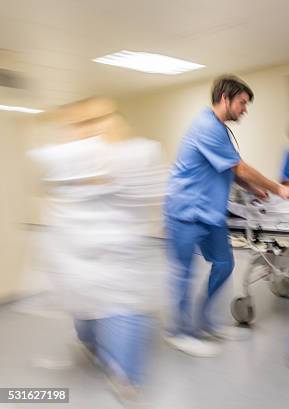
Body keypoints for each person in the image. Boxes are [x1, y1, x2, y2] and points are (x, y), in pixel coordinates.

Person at [27, 98, 165, 401]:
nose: (88, 128)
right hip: (81, 253)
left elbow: (149, 192)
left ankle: (125, 375)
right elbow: (52, 185)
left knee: (121, 310)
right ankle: (104, 356)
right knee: (90, 307)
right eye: (79, 123)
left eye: (97, 119)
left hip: (118, 253)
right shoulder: (68, 155)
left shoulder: (136, 152)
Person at [164, 75, 289, 357]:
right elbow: (238, 167)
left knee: (224, 264)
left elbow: (228, 169)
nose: (245, 109)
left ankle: (204, 321)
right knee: (184, 274)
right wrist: (276, 188)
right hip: (185, 211)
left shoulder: (221, 130)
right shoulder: (206, 126)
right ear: (225, 99)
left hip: (210, 212)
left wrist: (253, 188)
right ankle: (179, 332)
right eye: (242, 103)